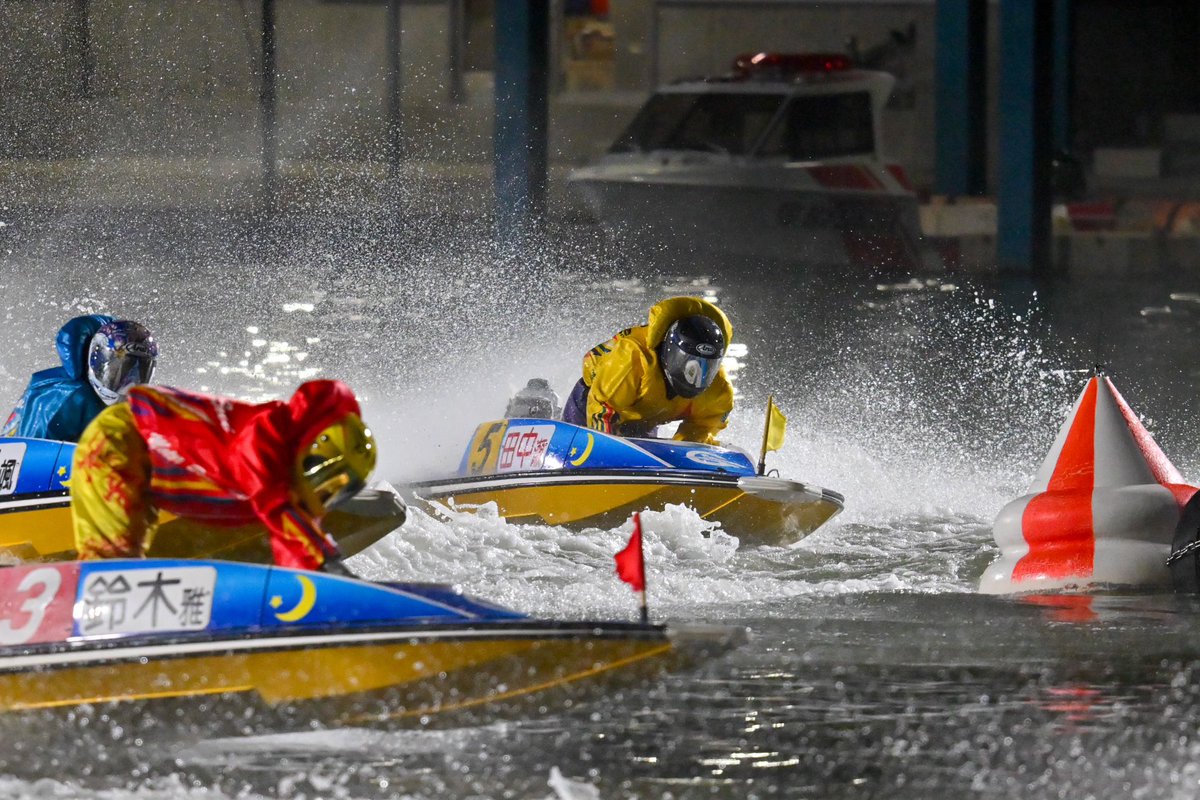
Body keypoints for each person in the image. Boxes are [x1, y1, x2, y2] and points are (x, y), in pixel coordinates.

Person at [70, 379, 375, 574]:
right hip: (120, 441)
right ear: (318, 460)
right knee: (111, 567)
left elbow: (294, 550)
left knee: (128, 562)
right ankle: (60, 619)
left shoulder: (291, 481)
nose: (331, 499)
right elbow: (278, 510)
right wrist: (330, 569)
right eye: (334, 486)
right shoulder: (264, 439)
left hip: (151, 467)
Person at [562, 296, 734, 445]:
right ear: (670, 351)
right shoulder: (634, 358)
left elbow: (701, 430)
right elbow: (603, 407)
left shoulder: (720, 390)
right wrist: (604, 452)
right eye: (691, 366)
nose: (698, 378)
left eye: (709, 367)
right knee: (583, 450)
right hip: (591, 409)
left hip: (644, 420)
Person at [2, 316, 158, 442]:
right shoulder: (68, 394)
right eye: (120, 370)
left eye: (140, 373)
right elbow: (30, 457)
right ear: (98, 361)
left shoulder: (137, 408)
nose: (129, 383)